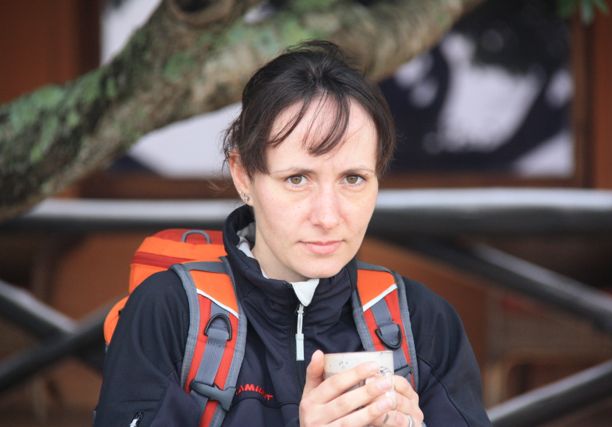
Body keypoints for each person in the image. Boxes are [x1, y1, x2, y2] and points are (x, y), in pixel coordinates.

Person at [94, 40, 490, 427]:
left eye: (353, 178)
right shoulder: (169, 312)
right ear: (243, 175)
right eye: (297, 179)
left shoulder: (421, 321)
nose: (328, 216)